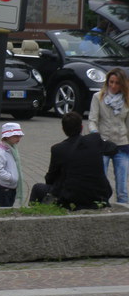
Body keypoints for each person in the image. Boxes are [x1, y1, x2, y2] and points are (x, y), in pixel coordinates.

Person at [29, 112, 118, 210]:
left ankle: (36, 213)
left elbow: (50, 178)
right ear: (81, 127)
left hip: (72, 197)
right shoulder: (94, 140)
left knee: (37, 188)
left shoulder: (58, 149)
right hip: (99, 194)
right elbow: (113, 148)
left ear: (63, 129)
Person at [88, 68, 129, 203]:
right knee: (101, 181)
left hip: (122, 144)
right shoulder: (98, 97)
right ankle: (102, 204)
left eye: (117, 83)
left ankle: (123, 210)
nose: (113, 86)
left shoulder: (127, 99)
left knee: (122, 185)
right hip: (103, 143)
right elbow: (92, 120)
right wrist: (95, 136)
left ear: (122, 84)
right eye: (111, 82)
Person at [0, 122, 25, 207]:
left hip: (12, 187)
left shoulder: (13, 149)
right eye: (16, 136)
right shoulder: (2, 152)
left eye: (19, 136)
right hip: (5, 187)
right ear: (7, 137)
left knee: (10, 206)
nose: (18, 138)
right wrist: (11, 178)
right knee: (5, 208)